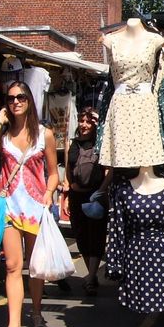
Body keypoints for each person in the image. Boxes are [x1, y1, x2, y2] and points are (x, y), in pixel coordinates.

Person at [0, 80, 61, 327]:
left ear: (29, 101)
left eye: (21, 97)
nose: (16, 102)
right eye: (11, 98)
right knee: (13, 266)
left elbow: (53, 173)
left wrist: (49, 194)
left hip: (35, 207)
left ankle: (36, 314)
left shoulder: (44, 134)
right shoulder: (3, 134)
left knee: (35, 267)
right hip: (9, 206)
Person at [62, 106, 106, 292]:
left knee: (96, 235)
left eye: (89, 121)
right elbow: (67, 170)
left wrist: (102, 191)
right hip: (76, 195)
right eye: (82, 121)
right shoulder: (71, 143)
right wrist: (65, 197)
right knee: (80, 236)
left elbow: (108, 170)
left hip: (95, 195)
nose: (84, 125)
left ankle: (90, 278)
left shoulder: (102, 143)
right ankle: (92, 274)